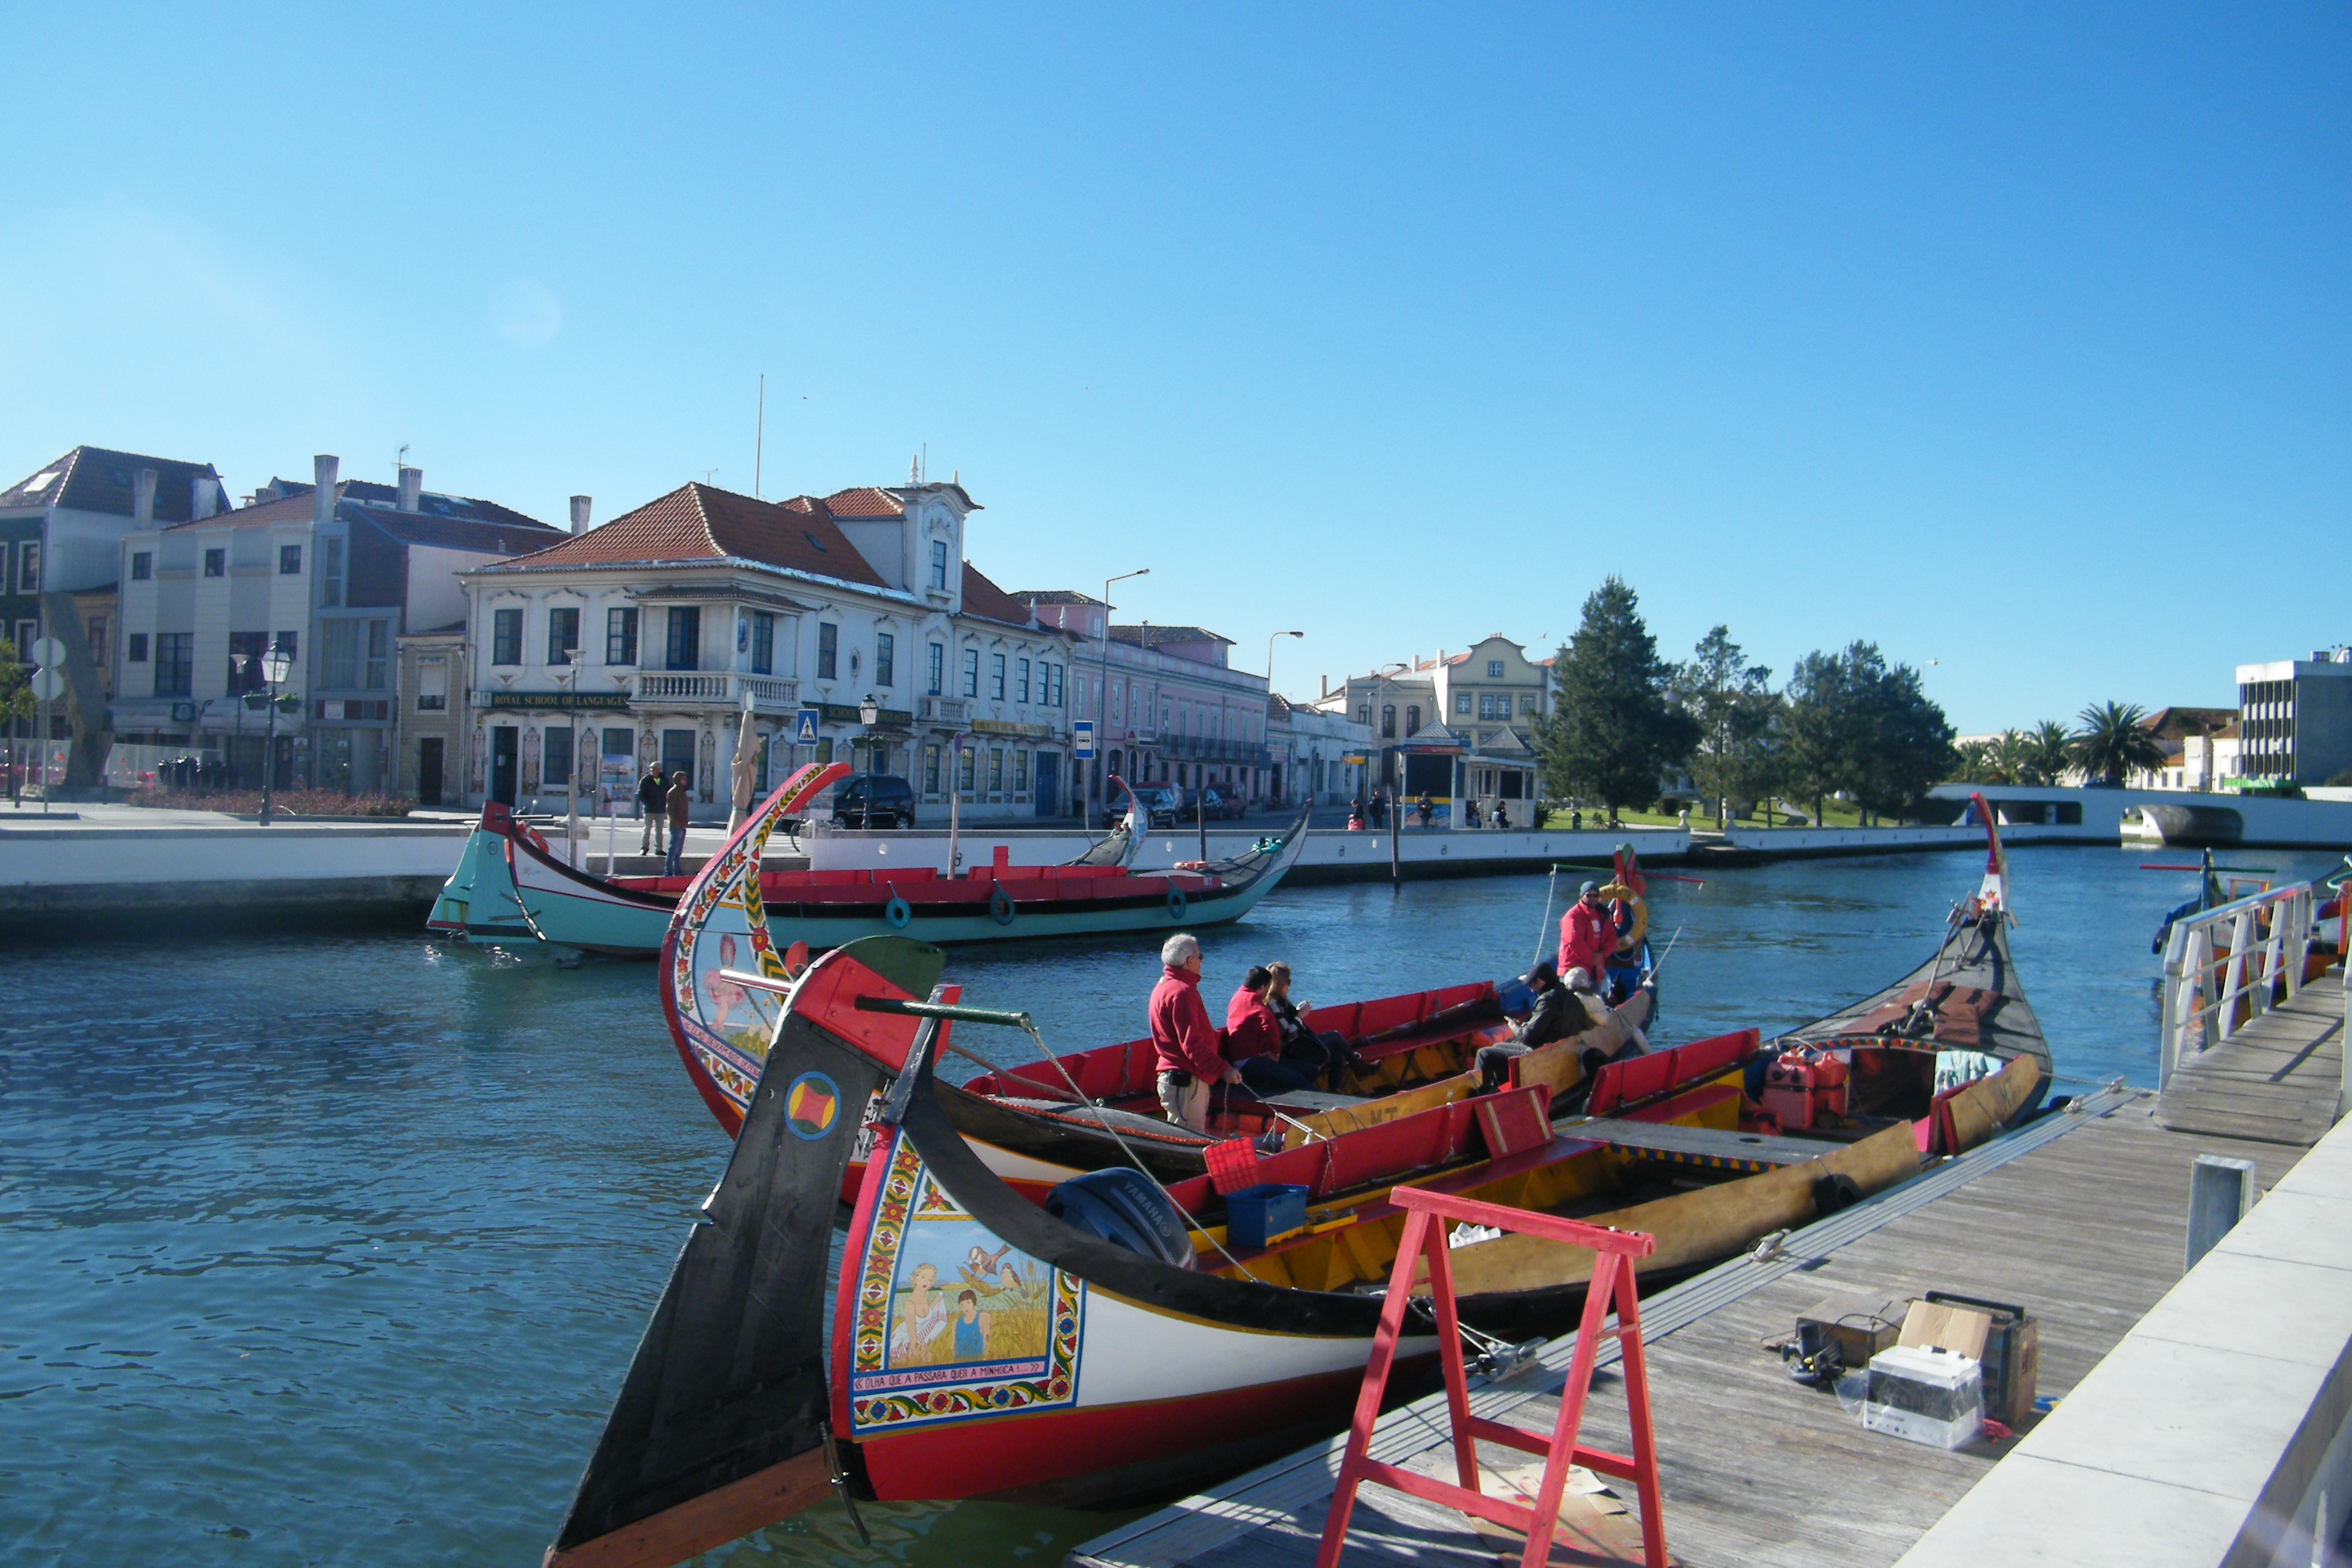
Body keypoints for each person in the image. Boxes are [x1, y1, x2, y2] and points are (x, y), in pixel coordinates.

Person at [1150, 932, 1239, 1132]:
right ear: (1189, 961)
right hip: (1186, 1080)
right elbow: (1192, 1045)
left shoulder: (1163, 986)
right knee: (1191, 1137)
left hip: (1175, 1078)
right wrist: (1223, 1069)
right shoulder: (1182, 992)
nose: (1201, 961)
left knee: (1181, 1133)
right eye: (1200, 957)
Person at [1475, 960, 1596, 1092]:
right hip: (1559, 1051)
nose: (1531, 990)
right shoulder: (1572, 999)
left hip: (1542, 1055)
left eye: (1531, 985)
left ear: (1540, 981)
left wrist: (1514, 1026)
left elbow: (1528, 1037)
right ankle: (1503, 1089)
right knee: (1499, 1047)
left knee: (1485, 1054)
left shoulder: (1547, 999)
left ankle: (1481, 1095)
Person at [1227, 965, 1315, 1095]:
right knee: (1298, 1078)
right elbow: (1268, 1022)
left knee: (1310, 1069)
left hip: (1245, 1056)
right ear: (1262, 987)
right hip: (1248, 1062)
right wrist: (1275, 1052)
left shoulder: (1237, 996)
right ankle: (1324, 1107)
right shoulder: (1254, 1001)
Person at [1559, 879, 1612, 979]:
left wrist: (1603, 954)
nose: (1592, 898)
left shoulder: (1602, 916)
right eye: (1589, 895)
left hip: (1594, 971)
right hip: (1573, 972)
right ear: (1582, 896)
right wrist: (1594, 960)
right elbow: (1575, 941)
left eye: (1595, 896)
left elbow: (1611, 938)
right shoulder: (1572, 916)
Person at [663, 768, 692, 878]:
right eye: (683, 779)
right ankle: (668, 871)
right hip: (676, 825)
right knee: (673, 849)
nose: (685, 781)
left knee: (678, 851)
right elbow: (670, 809)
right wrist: (676, 822)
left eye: (685, 778)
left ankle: (677, 871)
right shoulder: (673, 792)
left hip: (683, 824)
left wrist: (685, 821)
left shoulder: (683, 792)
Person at [637, 760, 667, 856]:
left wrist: (665, 804)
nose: (653, 771)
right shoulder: (645, 780)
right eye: (652, 769)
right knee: (647, 830)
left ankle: (659, 849)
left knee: (659, 831)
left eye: (655, 769)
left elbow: (668, 793)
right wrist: (648, 804)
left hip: (661, 810)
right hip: (649, 810)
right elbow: (640, 794)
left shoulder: (664, 780)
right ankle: (644, 848)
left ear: (659, 770)